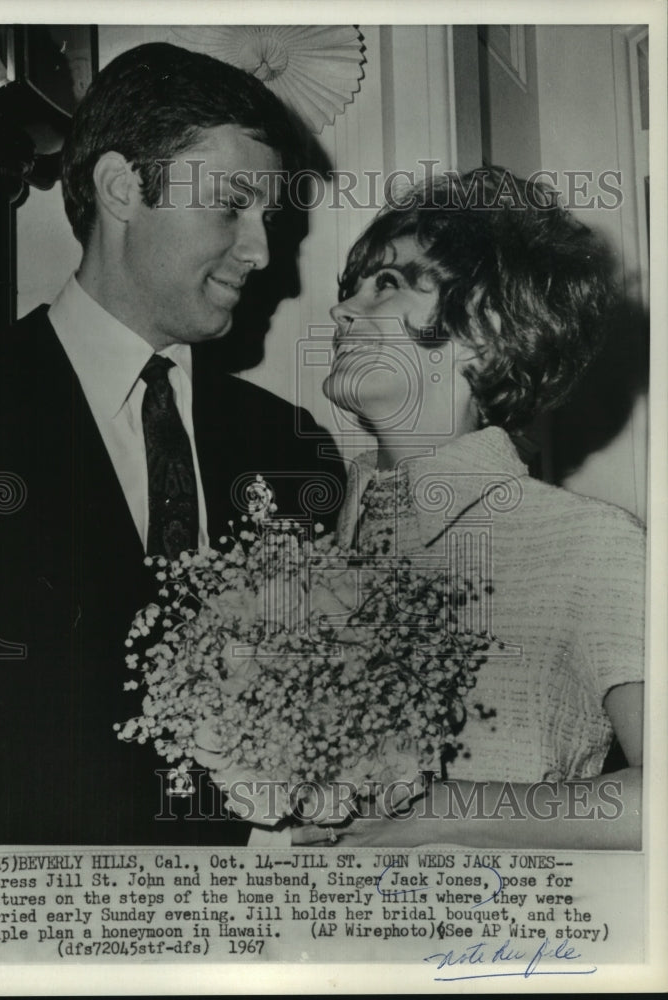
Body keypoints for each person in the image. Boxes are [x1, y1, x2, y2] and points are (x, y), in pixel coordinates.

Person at [0, 43, 344, 846]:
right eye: (231, 205)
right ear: (120, 188)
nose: (260, 253)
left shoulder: (293, 448)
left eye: (267, 219)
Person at [294, 167, 645, 849]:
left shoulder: (591, 543)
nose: (342, 312)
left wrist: (449, 811)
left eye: (386, 283)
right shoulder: (308, 547)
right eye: (350, 288)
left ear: (484, 325)